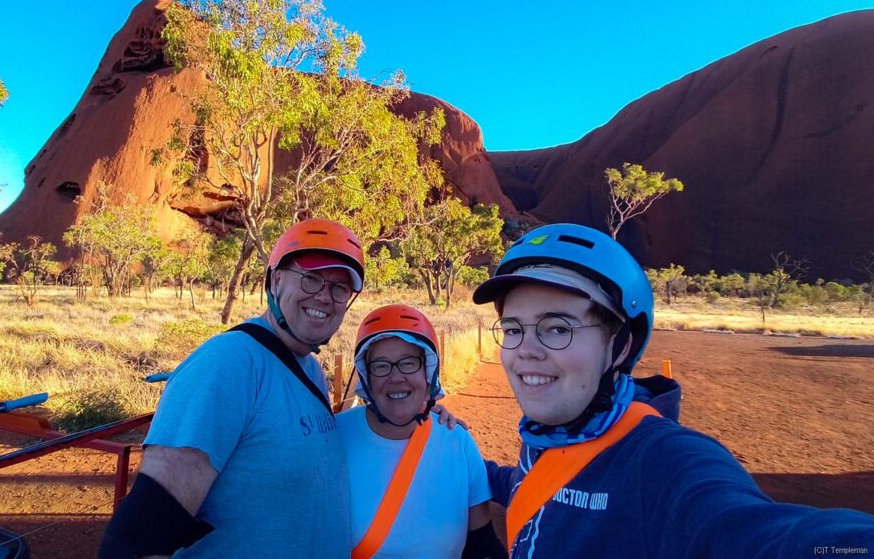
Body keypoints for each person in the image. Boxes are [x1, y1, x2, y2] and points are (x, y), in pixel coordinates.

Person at [471, 223, 874, 558]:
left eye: (557, 328)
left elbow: (753, 532)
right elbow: (536, 484)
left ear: (621, 345)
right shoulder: (549, 436)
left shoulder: (663, 461)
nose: (525, 350)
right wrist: (458, 456)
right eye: (513, 329)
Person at [99, 219, 366, 558]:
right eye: (311, 278)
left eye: (340, 288)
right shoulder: (229, 362)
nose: (325, 297)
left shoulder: (309, 368)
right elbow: (137, 540)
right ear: (276, 279)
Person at [337, 305, 506, 559]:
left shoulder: (457, 442)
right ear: (367, 379)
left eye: (408, 363)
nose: (396, 377)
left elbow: (481, 546)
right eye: (381, 366)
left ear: (428, 373)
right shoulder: (333, 436)